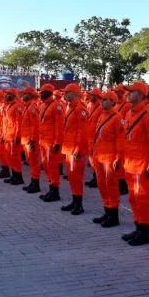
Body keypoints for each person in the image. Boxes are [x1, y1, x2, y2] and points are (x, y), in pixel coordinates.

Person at [119, 81, 149, 246]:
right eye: (128, 91)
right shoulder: (130, 113)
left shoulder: (147, 114)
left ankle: (144, 232)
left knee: (142, 199)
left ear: (141, 95)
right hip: (131, 164)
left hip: (142, 165)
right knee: (133, 198)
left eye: (132, 92)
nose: (128, 94)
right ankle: (138, 228)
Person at [89, 91, 125, 227]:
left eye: (105, 100)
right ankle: (107, 210)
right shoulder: (102, 116)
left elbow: (120, 140)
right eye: (102, 100)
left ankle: (113, 215)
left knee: (111, 186)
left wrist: (118, 158)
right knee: (102, 185)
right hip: (99, 155)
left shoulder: (117, 117)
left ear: (112, 102)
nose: (102, 102)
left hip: (110, 157)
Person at [60, 84, 91, 215]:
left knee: (76, 177)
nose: (64, 95)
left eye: (67, 92)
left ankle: (79, 204)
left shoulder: (80, 109)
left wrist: (78, 148)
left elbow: (82, 131)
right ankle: (74, 201)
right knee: (72, 177)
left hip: (75, 149)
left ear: (75, 94)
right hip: (68, 147)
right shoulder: (69, 107)